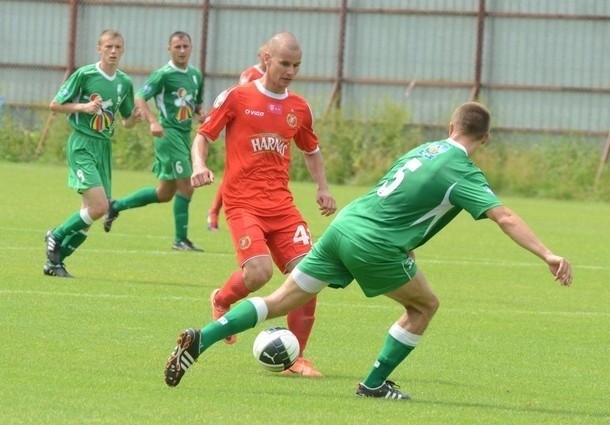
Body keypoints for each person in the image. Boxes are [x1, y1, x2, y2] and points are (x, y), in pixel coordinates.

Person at [164, 101, 573, 398]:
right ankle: (374, 384)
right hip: (373, 243)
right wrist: (548, 254)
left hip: (345, 226)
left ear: (450, 125)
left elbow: (398, 198)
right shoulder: (462, 170)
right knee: (423, 307)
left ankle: (203, 338)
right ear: (485, 138)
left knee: (276, 300)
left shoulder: (422, 150)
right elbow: (505, 217)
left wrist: (405, 245)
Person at [187, 32, 337, 377]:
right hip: (243, 204)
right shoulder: (237, 97)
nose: (290, 71)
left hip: (282, 206)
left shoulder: (299, 107)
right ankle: (223, 299)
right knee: (259, 273)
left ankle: (296, 358)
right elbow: (203, 135)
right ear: (266, 59)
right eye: (284, 63)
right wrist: (199, 165)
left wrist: (322, 188)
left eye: (296, 65)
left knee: (309, 277)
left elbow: (311, 150)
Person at [44, 29, 142, 277]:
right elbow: (55, 104)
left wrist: (136, 119)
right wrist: (83, 106)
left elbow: (126, 121)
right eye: (108, 46)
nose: (113, 51)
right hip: (82, 144)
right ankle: (55, 234)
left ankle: (55, 263)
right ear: (99, 49)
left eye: (118, 47)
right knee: (99, 206)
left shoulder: (124, 82)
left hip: (104, 148)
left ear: (123, 51)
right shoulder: (85, 74)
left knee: (89, 216)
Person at [102, 31, 205, 252]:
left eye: (185, 46)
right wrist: (152, 121)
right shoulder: (163, 75)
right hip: (168, 135)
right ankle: (180, 240)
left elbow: (195, 104)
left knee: (165, 193)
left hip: (184, 135)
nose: (182, 50)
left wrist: (202, 114)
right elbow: (140, 97)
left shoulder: (196, 75)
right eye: (177, 47)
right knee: (187, 186)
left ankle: (115, 206)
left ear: (191, 47)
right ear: (169, 49)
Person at [206, 41, 267, 231]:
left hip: (264, 136)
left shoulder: (276, 76)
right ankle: (214, 212)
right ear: (261, 55)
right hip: (244, 133)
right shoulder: (251, 74)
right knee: (235, 172)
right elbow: (242, 101)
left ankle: (258, 216)